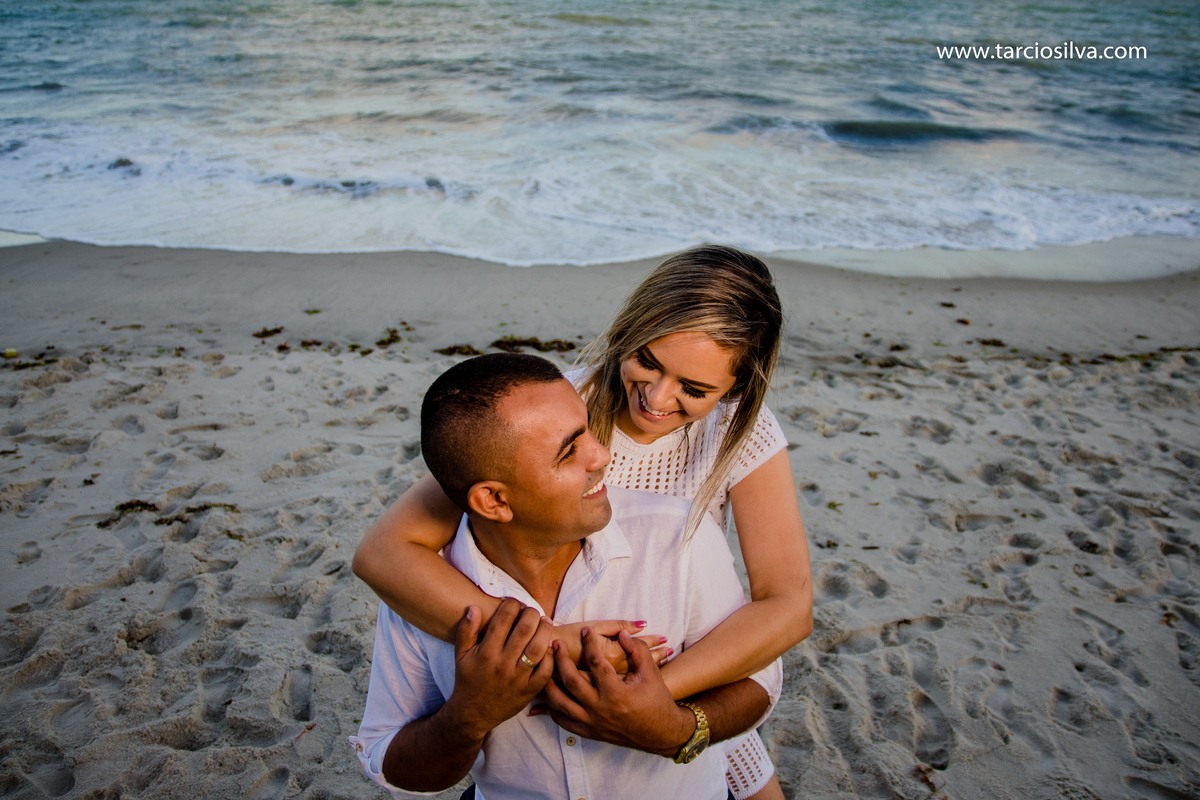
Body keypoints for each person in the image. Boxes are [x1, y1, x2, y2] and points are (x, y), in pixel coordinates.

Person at [353, 245, 813, 799]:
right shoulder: (555, 412)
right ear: (630, 329)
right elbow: (384, 552)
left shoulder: (741, 431)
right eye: (648, 361)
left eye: (694, 390)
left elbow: (787, 605)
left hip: (688, 673)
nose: (657, 397)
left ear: (734, 390)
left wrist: (645, 697)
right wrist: (548, 645)